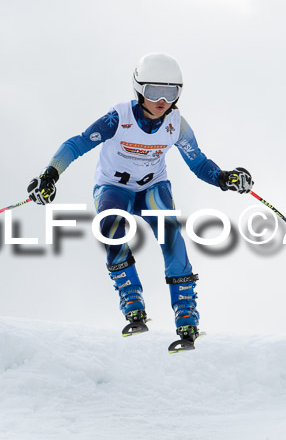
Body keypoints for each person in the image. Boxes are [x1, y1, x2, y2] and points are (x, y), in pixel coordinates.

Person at [27, 53, 253, 351]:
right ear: (138, 90)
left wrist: (225, 178)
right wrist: (50, 174)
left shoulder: (176, 124)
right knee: (111, 227)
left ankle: (187, 318)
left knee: (171, 234)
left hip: (151, 189)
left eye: (170, 93)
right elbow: (77, 143)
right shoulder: (117, 119)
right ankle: (133, 304)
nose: (161, 101)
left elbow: (198, 163)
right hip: (113, 188)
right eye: (153, 92)